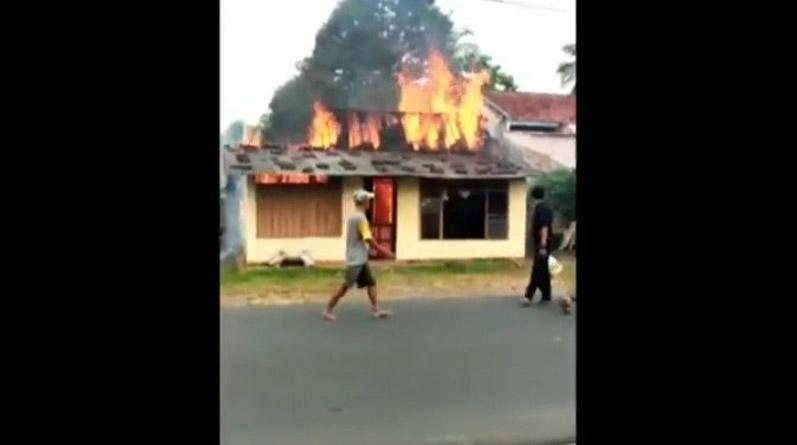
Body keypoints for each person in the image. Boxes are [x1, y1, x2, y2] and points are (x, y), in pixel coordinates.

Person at [323, 190, 395, 321]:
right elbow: (367, 238)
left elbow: (360, 237)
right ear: (364, 202)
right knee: (346, 286)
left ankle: (375, 309)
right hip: (355, 260)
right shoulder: (361, 218)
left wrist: (369, 250)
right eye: (368, 201)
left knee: (371, 282)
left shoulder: (353, 216)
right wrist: (384, 251)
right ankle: (328, 309)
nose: (370, 203)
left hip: (361, 258)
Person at [523, 185, 554, 306]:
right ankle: (546, 295)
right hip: (544, 242)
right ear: (544, 195)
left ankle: (529, 295)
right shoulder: (545, 207)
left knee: (537, 269)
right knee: (544, 270)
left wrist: (542, 246)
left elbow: (544, 227)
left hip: (542, 243)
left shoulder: (541, 209)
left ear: (532, 197)